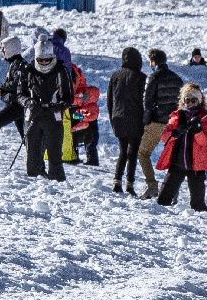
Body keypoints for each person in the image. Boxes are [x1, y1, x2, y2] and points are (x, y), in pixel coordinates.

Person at [156, 83, 207, 211]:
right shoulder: (177, 115)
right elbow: (164, 137)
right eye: (187, 100)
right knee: (163, 199)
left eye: (193, 100)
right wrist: (175, 132)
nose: (190, 103)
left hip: (196, 165)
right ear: (183, 100)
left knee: (198, 204)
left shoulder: (204, 117)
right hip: (178, 162)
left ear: (199, 101)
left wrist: (197, 130)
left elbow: (203, 142)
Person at [21, 40, 73, 180]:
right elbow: (20, 94)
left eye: (47, 60)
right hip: (33, 116)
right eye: (41, 60)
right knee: (32, 155)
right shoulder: (29, 70)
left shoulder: (61, 71)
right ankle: (33, 182)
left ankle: (57, 185)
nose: (44, 63)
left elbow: (68, 98)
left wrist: (58, 105)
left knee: (55, 155)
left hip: (53, 117)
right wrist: (28, 102)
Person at [138, 49, 184, 198]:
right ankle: (172, 191)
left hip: (157, 122)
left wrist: (145, 122)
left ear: (153, 62)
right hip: (174, 124)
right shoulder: (177, 79)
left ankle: (152, 186)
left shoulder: (154, 77)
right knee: (172, 158)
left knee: (143, 153)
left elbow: (148, 102)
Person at [107, 47, 146, 195]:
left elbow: (110, 100)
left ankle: (117, 182)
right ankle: (130, 184)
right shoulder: (141, 77)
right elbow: (144, 102)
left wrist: (112, 119)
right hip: (135, 120)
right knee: (132, 152)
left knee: (123, 151)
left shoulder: (115, 76)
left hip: (118, 119)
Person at [0, 36, 28, 160]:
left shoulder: (19, 65)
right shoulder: (15, 64)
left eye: (4, 48)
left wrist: (2, 88)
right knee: (26, 137)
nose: (2, 51)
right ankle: (37, 165)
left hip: (17, 105)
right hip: (16, 104)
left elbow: (15, 85)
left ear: (11, 49)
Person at [70, 64, 100, 166]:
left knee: (90, 129)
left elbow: (95, 94)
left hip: (80, 116)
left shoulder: (85, 90)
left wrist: (80, 113)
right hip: (75, 117)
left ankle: (91, 157)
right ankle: (75, 154)